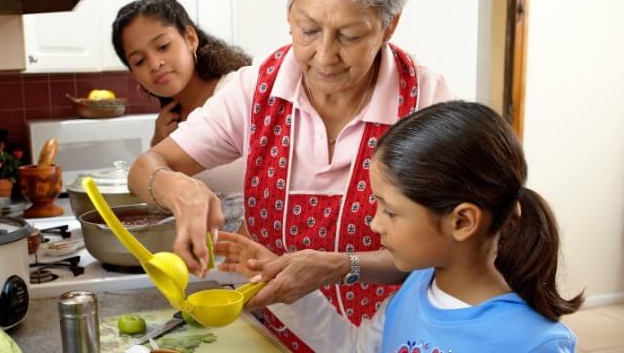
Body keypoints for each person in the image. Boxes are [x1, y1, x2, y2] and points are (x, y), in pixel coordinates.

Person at [128, 0, 453, 349]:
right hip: (273, 336)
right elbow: (145, 167)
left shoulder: (423, 97)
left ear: (390, 25)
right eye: (309, 30)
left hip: (389, 339)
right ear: (289, 13)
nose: (325, 57)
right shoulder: (257, 89)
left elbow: (446, 247)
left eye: (350, 36)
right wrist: (178, 188)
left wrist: (343, 266)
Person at [226, 101, 583, 351]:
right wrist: (284, 289)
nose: (374, 223)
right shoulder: (415, 288)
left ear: (462, 221)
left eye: (391, 212)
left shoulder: (533, 343)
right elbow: (354, 349)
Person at [112, 0, 252, 230]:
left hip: (257, 244)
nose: (155, 64)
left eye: (163, 46)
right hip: (206, 248)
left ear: (190, 38)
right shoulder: (168, 121)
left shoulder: (237, 91)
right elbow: (146, 184)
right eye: (139, 61)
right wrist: (158, 146)